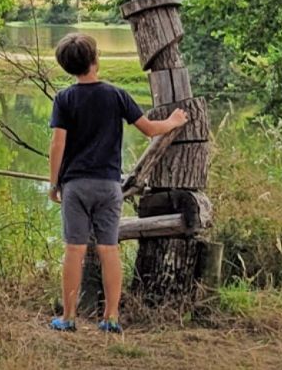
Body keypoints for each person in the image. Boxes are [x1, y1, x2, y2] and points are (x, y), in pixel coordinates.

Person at [46, 32, 188, 334]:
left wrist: (53, 183)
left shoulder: (64, 98)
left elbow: (57, 145)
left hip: (76, 185)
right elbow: (150, 129)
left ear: (66, 67)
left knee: (74, 250)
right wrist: (174, 122)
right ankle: (110, 318)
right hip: (109, 186)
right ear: (96, 60)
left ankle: (68, 317)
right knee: (109, 249)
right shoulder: (116, 95)